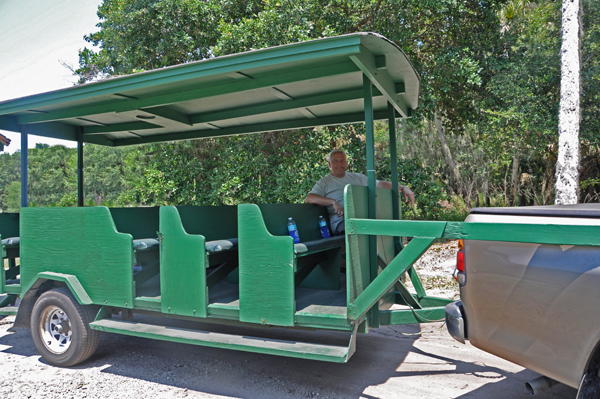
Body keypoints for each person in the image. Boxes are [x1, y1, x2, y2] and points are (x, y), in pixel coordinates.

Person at [305, 149, 415, 235]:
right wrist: (333, 202)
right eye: (335, 161)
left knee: (385, 226)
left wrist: (403, 188)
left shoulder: (357, 178)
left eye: (342, 160)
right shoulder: (325, 182)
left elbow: (379, 184)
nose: (339, 164)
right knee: (360, 229)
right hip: (341, 224)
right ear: (329, 164)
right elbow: (309, 198)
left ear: (347, 162)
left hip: (362, 220)